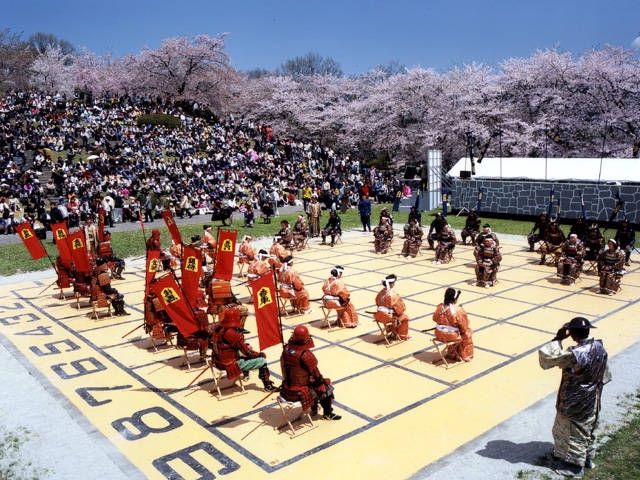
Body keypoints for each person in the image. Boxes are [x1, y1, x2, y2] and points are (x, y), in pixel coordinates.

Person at [538, 317, 611, 478]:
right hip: (593, 397)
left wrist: (557, 339)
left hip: (575, 400)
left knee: (572, 432)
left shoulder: (576, 354)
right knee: (588, 429)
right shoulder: (599, 346)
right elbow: (605, 374)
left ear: (572, 333)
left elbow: (547, 359)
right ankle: (587, 458)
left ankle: (573, 467)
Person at [280, 325, 342, 420]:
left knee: (314, 382)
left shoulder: (286, 349)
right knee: (325, 386)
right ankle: (328, 413)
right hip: (299, 391)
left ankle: (315, 408)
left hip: (286, 387)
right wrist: (320, 381)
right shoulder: (305, 355)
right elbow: (317, 377)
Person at [210, 307, 277, 391]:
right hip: (228, 364)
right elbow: (248, 352)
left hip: (217, 360)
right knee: (262, 361)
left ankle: (246, 374)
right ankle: (268, 386)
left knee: (245, 349)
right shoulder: (232, 333)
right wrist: (260, 354)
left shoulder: (217, 328)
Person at [432, 288, 473, 362]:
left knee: (458, 332)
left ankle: (452, 353)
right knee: (466, 332)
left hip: (438, 333)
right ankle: (463, 354)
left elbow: (434, 318)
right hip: (451, 336)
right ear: (455, 299)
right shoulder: (458, 310)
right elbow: (464, 325)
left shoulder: (440, 307)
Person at [373, 274, 412, 341]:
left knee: (395, 315)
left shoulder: (380, 293)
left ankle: (391, 331)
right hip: (387, 317)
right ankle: (402, 336)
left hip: (378, 315)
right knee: (404, 317)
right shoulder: (392, 294)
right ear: (391, 284)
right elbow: (400, 308)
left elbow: (377, 302)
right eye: (394, 283)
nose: (394, 284)